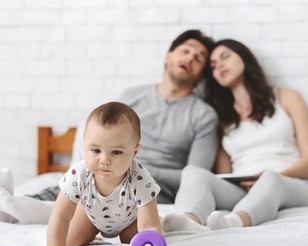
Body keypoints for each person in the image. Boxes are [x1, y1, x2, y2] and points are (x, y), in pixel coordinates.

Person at [0, 29, 219, 224]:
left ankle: (22, 210)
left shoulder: (204, 115)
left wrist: (134, 166)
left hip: (151, 187)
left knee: (109, 203)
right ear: (168, 56)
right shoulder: (132, 96)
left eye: (199, 58)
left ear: (201, 74)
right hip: (108, 168)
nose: (191, 58)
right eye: (186, 50)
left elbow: (193, 176)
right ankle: (17, 205)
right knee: (72, 187)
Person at [163, 39, 308, 233]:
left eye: (225, 57)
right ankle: (188, 222)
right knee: (193, 172)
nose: (219, 65)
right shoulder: (221, 117)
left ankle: (235, 222)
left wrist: (269, 176)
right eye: (213, 65)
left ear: (244, 58)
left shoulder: (286, 97)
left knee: (270, 178)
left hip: (293, 183)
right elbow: (225, 172)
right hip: (244, 190)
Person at [46, 101, 161, 246]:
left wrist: (153, 235)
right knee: (69, 241)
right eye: (95, 150)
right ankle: (92, 234)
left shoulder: (140, 179)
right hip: (91, 216)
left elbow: (148, 225)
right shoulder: (78, 174)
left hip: (130, 221)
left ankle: (167, 222)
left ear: (134, 152)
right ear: (84, 145)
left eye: (116, 152)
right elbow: (60, 217)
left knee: (136, 244)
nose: (104, 160)